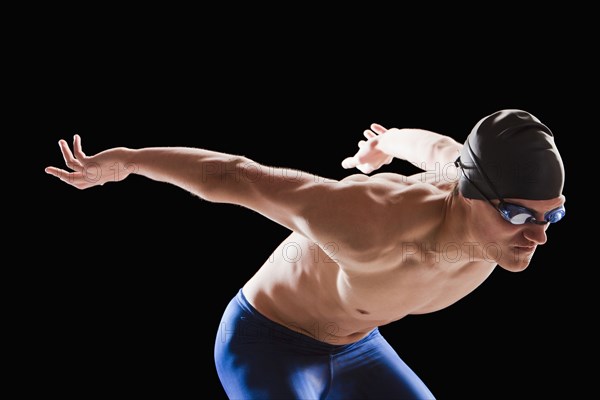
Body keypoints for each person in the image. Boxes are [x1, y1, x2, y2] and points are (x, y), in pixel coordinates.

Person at [45, 109, 565, 399]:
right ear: (470, 193)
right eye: (520, 216)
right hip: (265, 345)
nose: (537, 237)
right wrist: (130, 161)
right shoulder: (366, 219)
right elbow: (236, 176)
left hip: (359, 348)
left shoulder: (479, 186)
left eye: (553, 216)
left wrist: (386, 143)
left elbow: (438, 148)